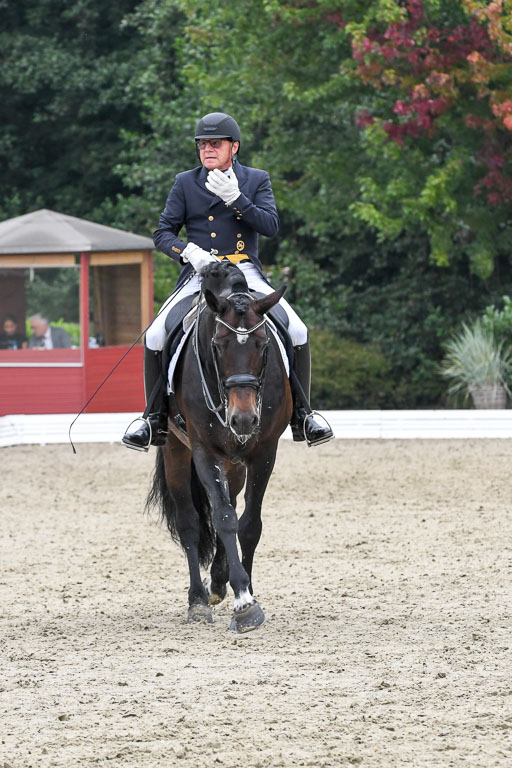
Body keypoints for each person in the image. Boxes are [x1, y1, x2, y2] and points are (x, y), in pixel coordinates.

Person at [122, 111, 333, 450]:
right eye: (202, 144)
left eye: (215, 144)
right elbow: (162, 233)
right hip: (200, 272)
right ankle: (152, 419)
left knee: (297, 329)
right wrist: (188, 252)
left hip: (243, 270)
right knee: (157, 333)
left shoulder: (255, 179)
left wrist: (238, 200)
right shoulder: (185, 182)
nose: (207, 149)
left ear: (233, 147)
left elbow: (269, 225)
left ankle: (304, 416)